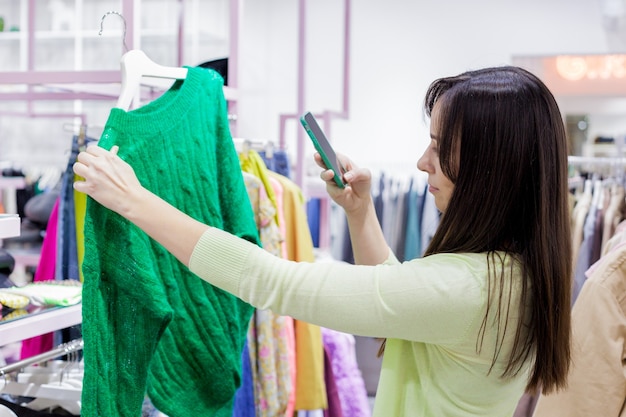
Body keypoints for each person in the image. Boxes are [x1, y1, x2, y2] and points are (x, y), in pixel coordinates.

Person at [72, 65, 572, 417]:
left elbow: (271, 280)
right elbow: (400, 304)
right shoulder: (514, 274)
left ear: (492, 170)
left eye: (439, 148)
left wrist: (134, 200)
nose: (423, 162)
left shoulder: (467, 288)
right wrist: (361, 214)